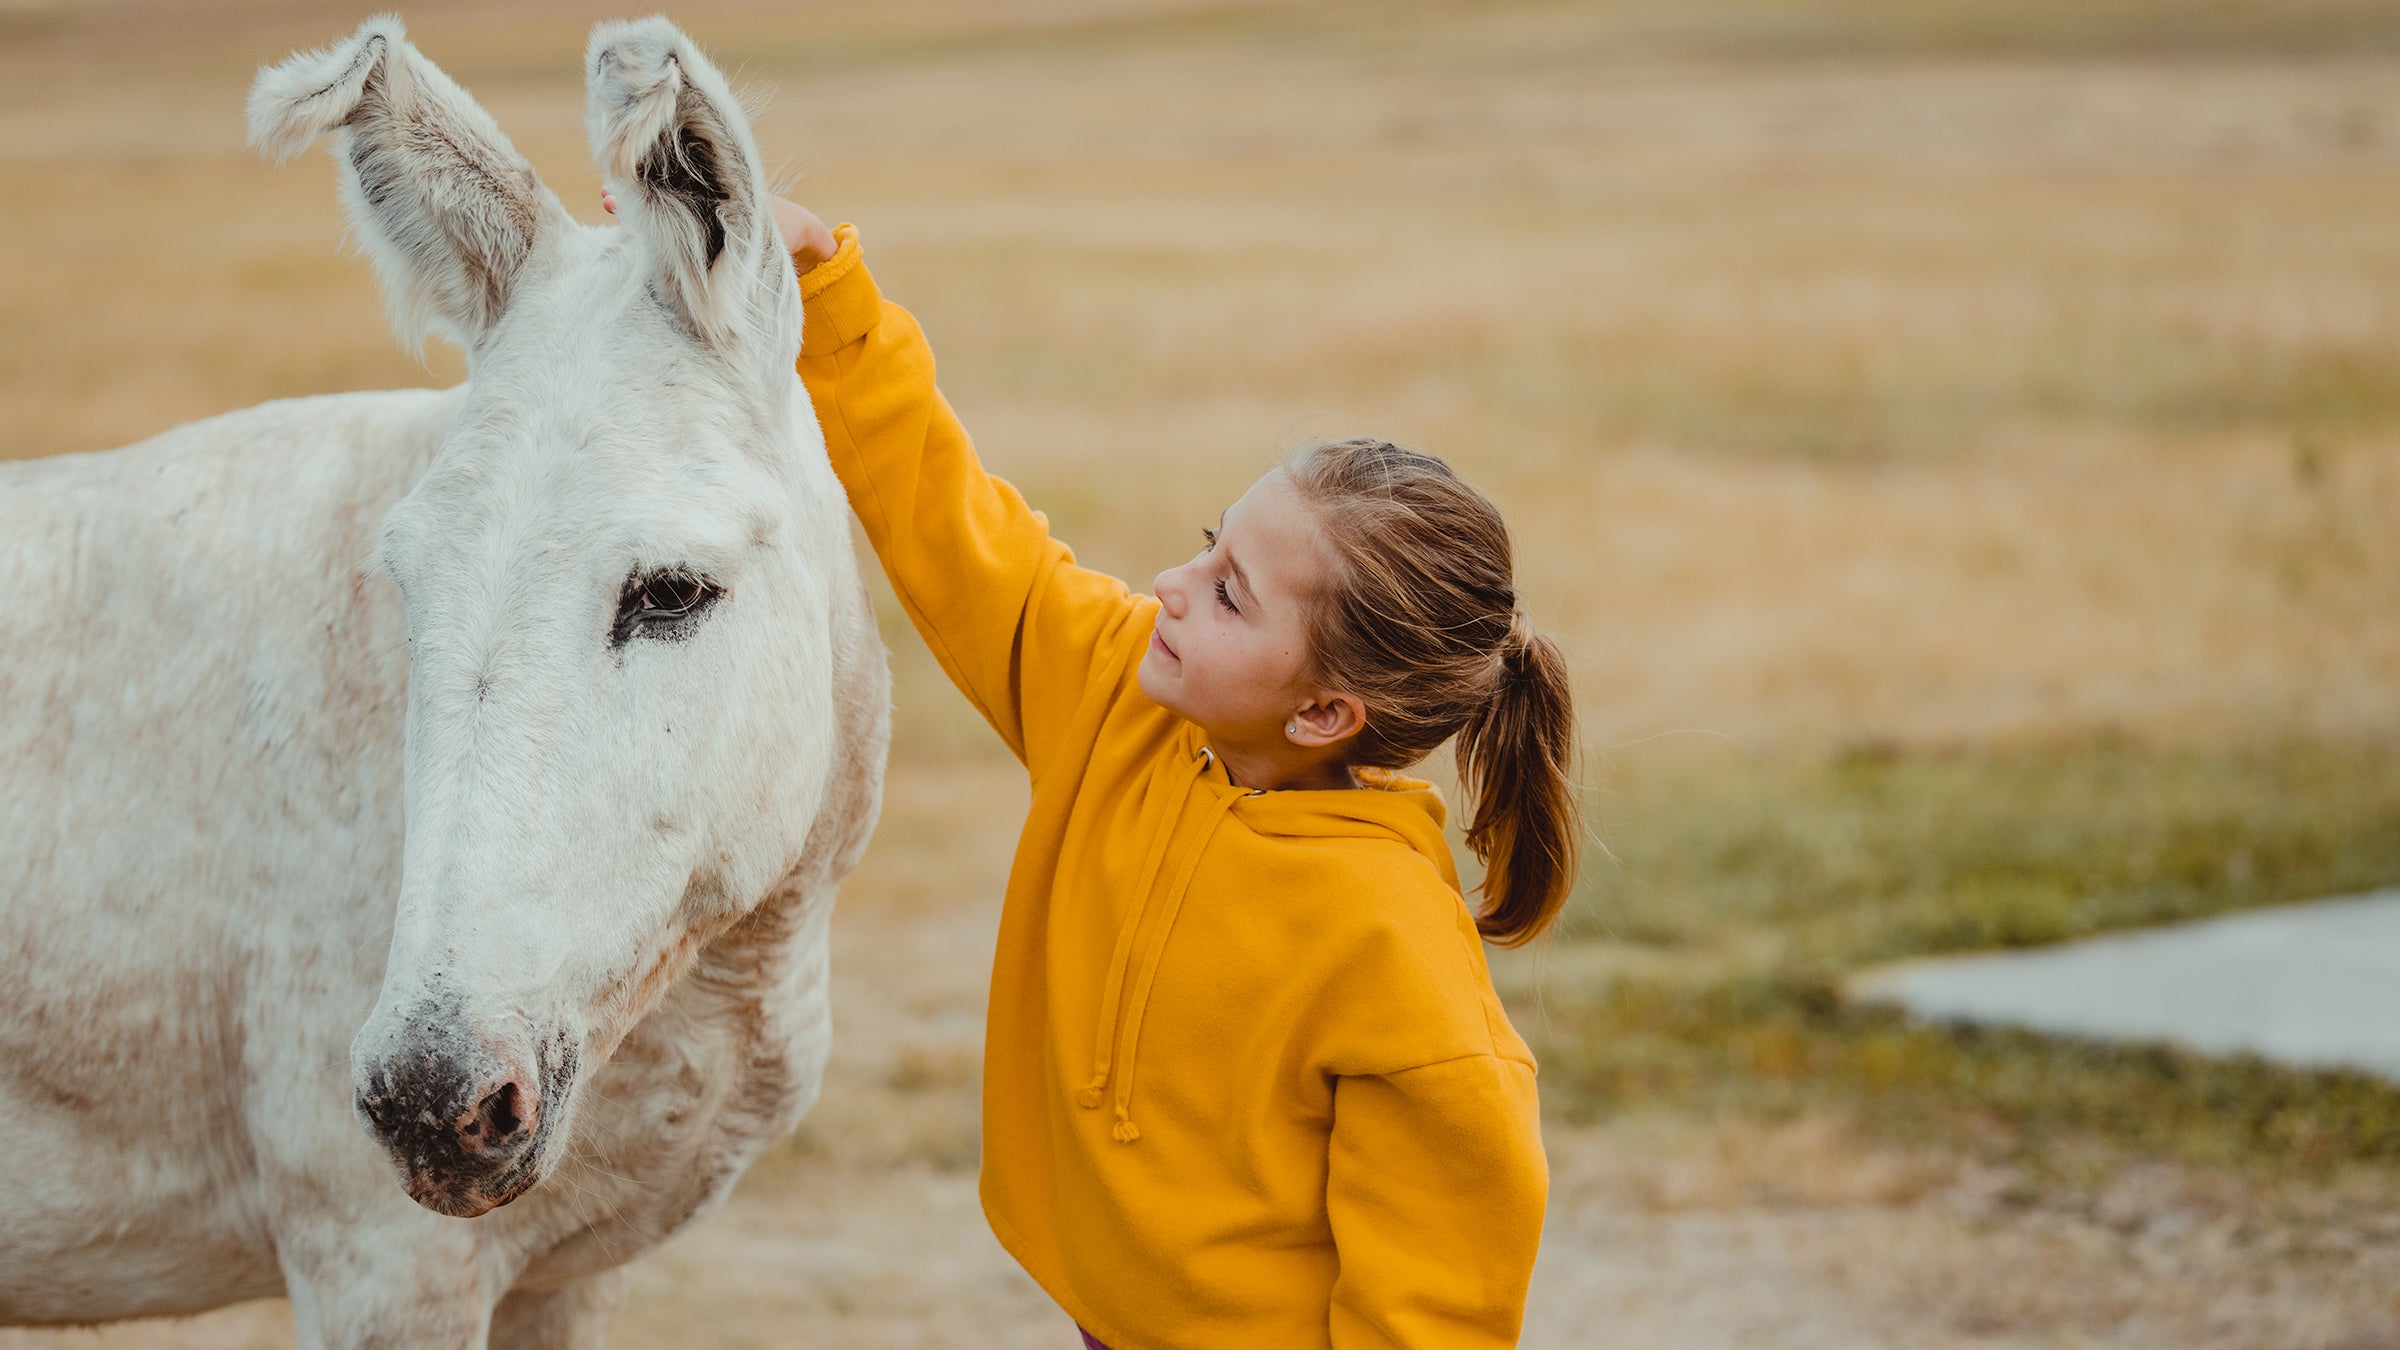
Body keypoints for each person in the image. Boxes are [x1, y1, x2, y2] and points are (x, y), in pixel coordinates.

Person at [742, 193, 1572, 1347]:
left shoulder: (1397, 957)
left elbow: (1436, 1308)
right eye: (1207, 545)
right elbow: (956, 526)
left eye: (1231, 594)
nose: (1175, 588)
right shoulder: (1118, 699)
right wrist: (824, 288)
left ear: (1325, 712)